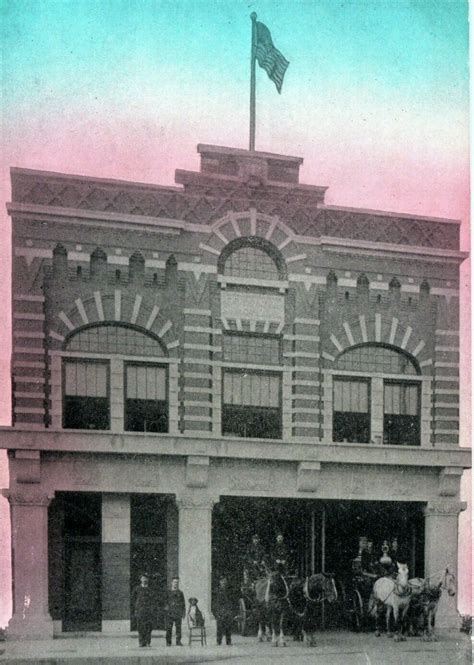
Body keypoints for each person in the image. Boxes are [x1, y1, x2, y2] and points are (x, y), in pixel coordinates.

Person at [132, 573, 155, 647]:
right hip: (140, 611)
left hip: (149, 611)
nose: (144, 580)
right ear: (140, 579)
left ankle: (148, 642)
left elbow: (154, 600)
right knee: (140, 627)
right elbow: (133, 599)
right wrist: (136, 608)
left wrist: (152, 609)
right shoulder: (137, 588)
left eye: (146, 578)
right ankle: (141, 642)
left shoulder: (150, 589)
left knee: (148, 627)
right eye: (143, 578)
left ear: (148, 580)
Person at [164, 576, 186, 646]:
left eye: (177, 582)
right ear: (172, 583)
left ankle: (178, 641)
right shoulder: (168, 592)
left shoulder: (180, 593)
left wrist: (183, 612)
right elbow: (165, 602)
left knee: (178, 628)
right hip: (170, 613)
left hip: (178, 613)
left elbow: (183, 603)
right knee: (169, 628)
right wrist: (166, 609)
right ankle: (168, 642)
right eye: (174, 582)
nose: (175, 584)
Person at [214, 576, 233, 646]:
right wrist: (218, 612)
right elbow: (216, 602)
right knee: (219, 627)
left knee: (228, 626)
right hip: (220, 611)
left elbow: (231, 601)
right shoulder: (217, 590)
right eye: (222, 581)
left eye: (225, 581)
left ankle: (228, 641)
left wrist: (230, 610)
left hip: (227, 611)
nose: (224, 583)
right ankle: (218, 641)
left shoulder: (229, 590)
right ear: (220, 582)